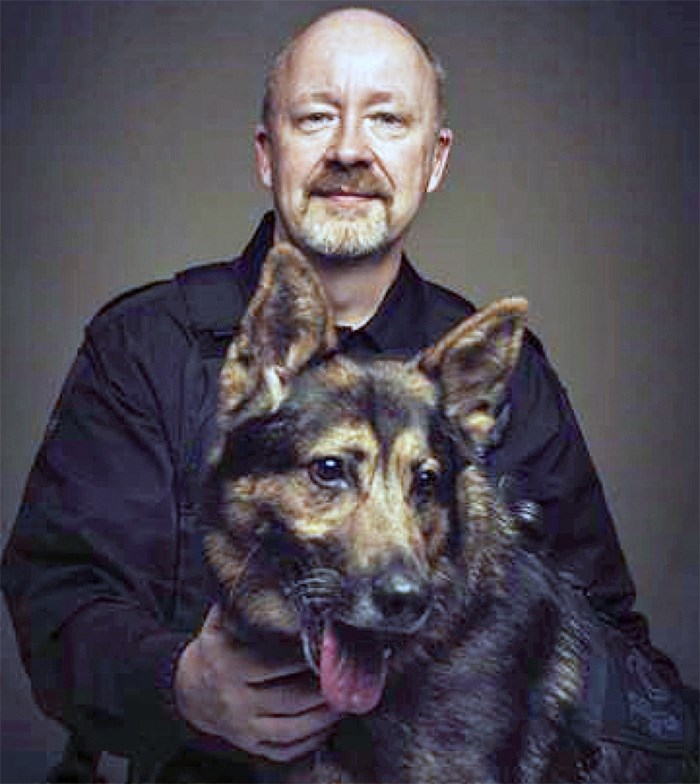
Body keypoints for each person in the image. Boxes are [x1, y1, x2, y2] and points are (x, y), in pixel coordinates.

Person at [2, 7, 695, 783]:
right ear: (268, 153)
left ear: (433, 162)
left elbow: (605, 640)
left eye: (388, 120)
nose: (349, 150)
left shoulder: (500, 371)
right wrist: (178, 686)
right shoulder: (146, 345)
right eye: (316, 117)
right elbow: (55, 596)